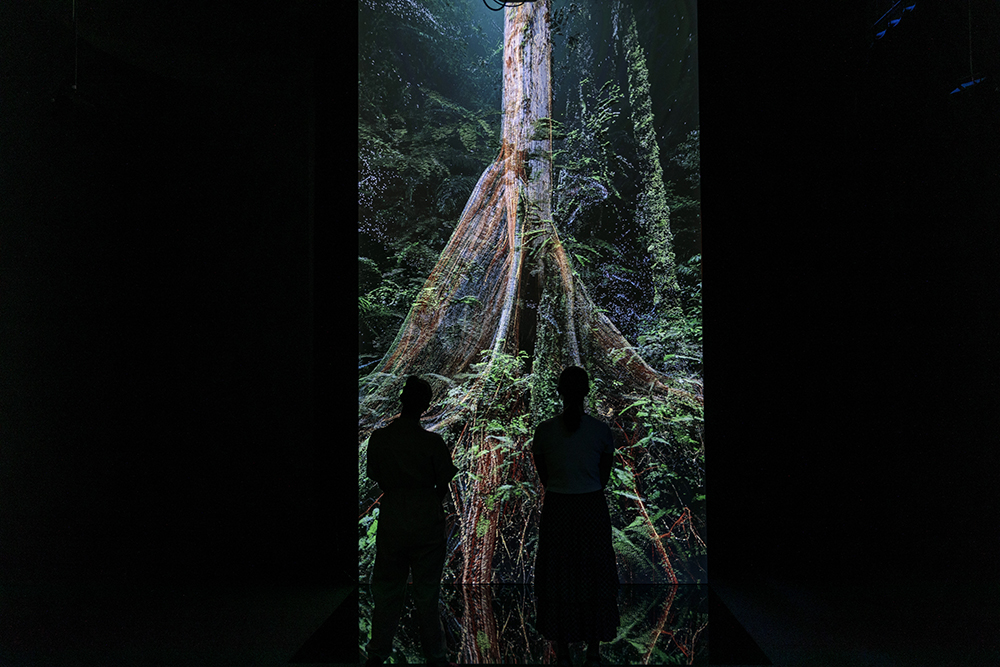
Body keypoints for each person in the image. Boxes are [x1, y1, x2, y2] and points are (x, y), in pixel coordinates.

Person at [364, 376, 459, 667]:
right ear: (425, 406)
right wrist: (428, 500)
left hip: (393, 515)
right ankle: (437, 657)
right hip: (426, 519)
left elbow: (375, 476)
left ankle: (377, 654)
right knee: (427, 592)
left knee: (388, 589)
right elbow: (443, 481)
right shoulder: (432, 443)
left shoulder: (380, 439)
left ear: (402, 401)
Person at [531, 366, 620, 667]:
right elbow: (602, 476)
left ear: (559, 391)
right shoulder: (600, 431)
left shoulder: (544, 431)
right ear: (586, 392)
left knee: (558, 575)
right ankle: (593, 650)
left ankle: (563, 651)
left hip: (558, 509)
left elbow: (545, 476)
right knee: (595, 574)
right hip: (590, 509)